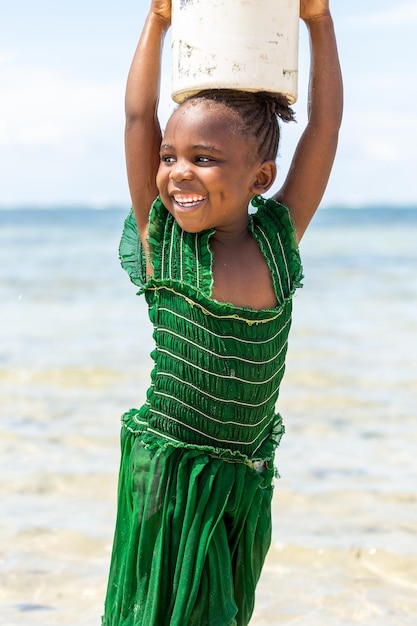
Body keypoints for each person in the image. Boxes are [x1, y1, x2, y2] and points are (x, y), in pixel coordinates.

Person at [102, 0, 342, 624]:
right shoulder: (165, 244)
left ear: (261, 176)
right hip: (168, 474)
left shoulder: (276, 240)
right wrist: (157, 21)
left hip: (243, 480)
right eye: (170, 156)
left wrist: (318, 22)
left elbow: (324, 128)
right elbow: (136, 117)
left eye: (204, 158)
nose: (179, 171)